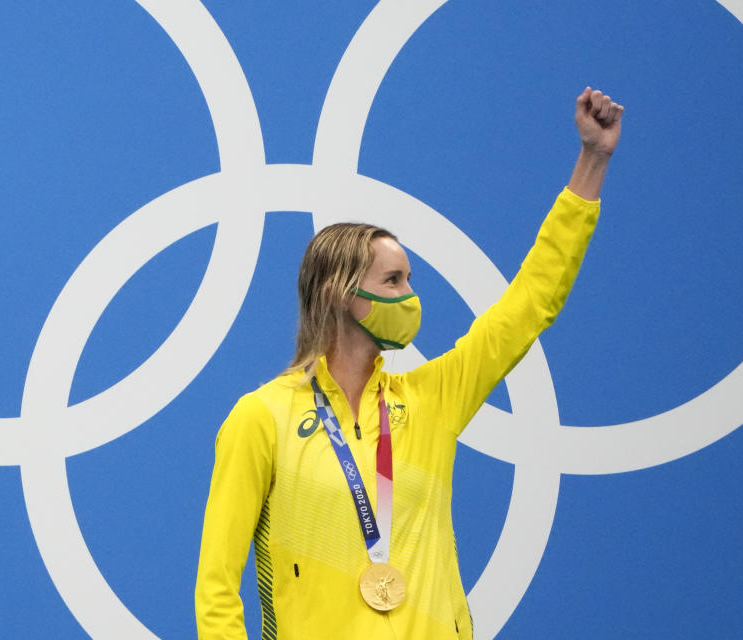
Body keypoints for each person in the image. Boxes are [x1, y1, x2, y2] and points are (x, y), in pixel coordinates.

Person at [195, 87, 624, 640]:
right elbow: (216, 586)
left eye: (410, 280)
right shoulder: (261, 418)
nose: (411, 297)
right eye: (393, 281)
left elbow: (528, 306)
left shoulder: (430, 401)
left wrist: (592, 160)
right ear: (342, 292)